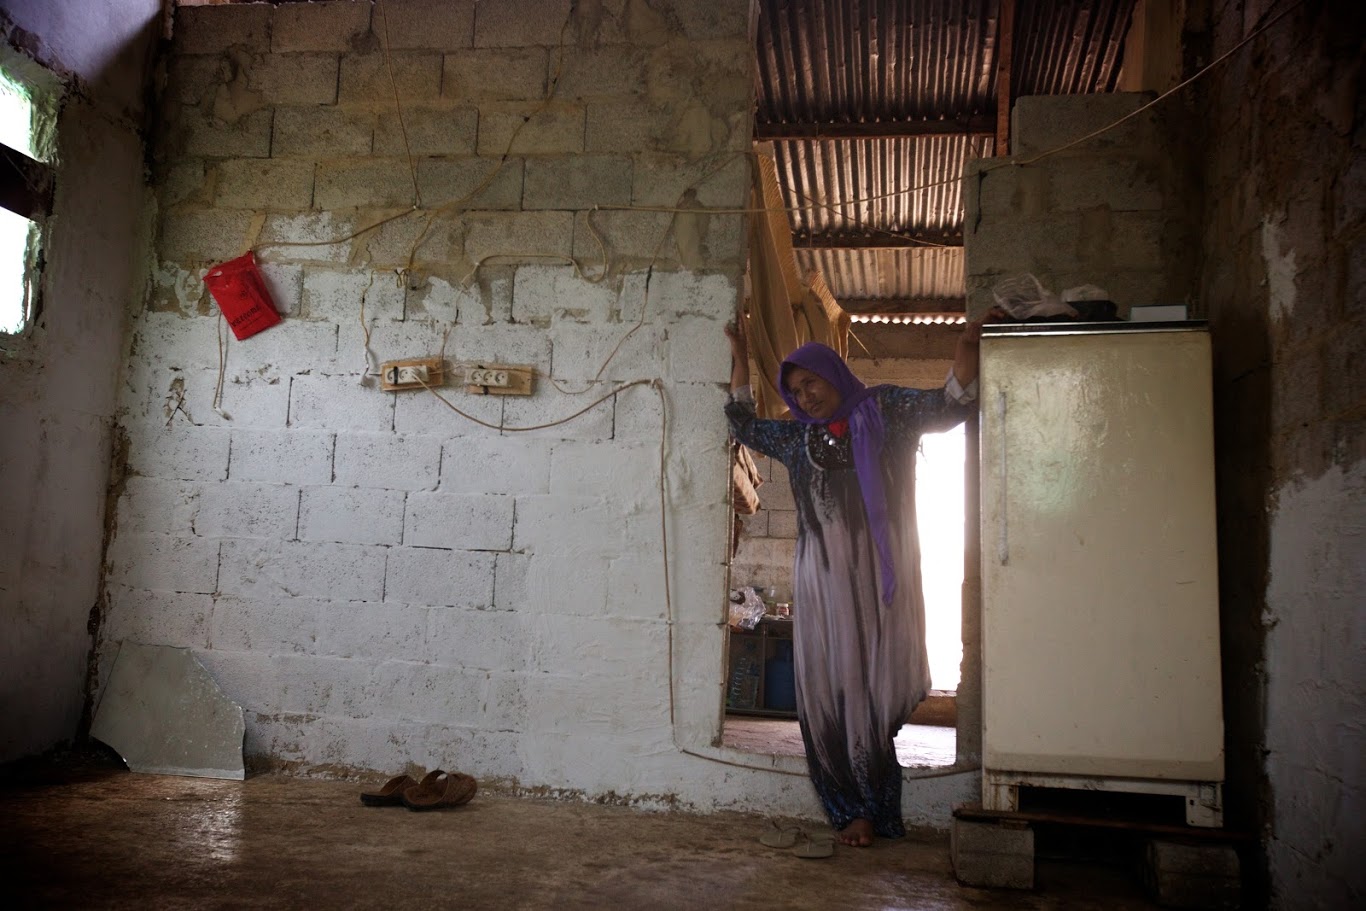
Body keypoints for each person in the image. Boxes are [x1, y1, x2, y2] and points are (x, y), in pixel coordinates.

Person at [723, 309, 1002, 847]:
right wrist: (740, 356)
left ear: (835, 374)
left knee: (872, 693)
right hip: (823, 582)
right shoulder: (797, 439)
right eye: (795, 391)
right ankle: (853, 808)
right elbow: (744, 424)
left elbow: (951, 404)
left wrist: (968, 346)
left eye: (811, 383)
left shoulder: (886, 410)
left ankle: (874, 805)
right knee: (829, 694)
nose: (805, 397)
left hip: (880, 580)